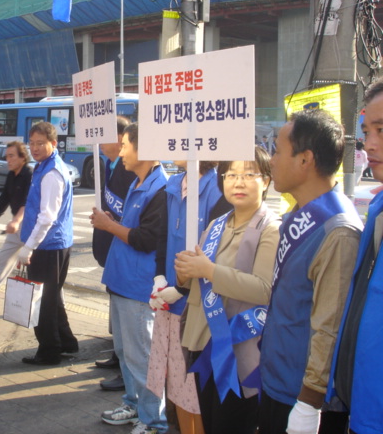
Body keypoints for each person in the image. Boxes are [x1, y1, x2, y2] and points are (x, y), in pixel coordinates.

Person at [258, 110, 362, 434]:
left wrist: (308, 402)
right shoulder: (297, 212)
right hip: (277, 383)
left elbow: (329, 328)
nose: (271, 160)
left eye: (276, 149)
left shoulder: (338, 231)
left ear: (305, 160)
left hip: (302, 402)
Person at [174, 147, 280, 434]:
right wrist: (183, 275)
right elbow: (196, 282)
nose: (239, 181)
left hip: (239, 351)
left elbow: (263, 289)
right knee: (209, 422)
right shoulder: (216, 224)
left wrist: (207, 270)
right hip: (202, 345)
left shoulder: (270, 228)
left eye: (249, 174)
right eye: (231, 174)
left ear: (267, 181)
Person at [92, 122, 169, 434]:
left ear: (146, 150)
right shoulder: (140, 183)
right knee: (125, 353)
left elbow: (145, 239)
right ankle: (134, 405)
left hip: (138, 287)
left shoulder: (160, 188)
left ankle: (154, 420)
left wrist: (110, 227)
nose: (120, 152)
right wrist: (114, 221)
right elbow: (134, 228)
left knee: (142, 357)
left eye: (126, 146)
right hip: (121, 281)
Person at [146, 160, 226, 434]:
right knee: (175, 381)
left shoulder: (217, 191)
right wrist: (159, 277)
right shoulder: (173, 185)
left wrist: (182, 288)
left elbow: (214, 253)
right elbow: (162, 237)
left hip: (197, 307)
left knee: (192, 386)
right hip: (169, 298)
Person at [329, 79, 383, 434]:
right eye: (367, 130)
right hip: (359, 403)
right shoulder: (377, 206)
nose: (371, 143)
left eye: (382, 130)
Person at [18, 121, 77, 365]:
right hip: (55, 244)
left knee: (43, 301)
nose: (35, 148)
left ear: (53, 143)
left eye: (40, 143)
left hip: (48, 246)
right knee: (52, 296)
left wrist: (28, 247)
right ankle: (66, 343)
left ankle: (49, 351)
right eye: (31, 143)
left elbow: (47, 217)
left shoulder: (52, 173)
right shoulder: (45, 166)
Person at [93, 116, 137, 391]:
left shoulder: (130, 169)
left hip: (125, 248)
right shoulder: (107, 165)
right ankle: (117, 355)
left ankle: (127, 373)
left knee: (128, 315)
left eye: (104, 135)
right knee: (116, 308)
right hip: (110, 246)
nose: (99, 141)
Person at [0, 141, 32, 307]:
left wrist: (16, 220)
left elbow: (28, 202)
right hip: (16, 228)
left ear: (22, 157)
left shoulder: (29, 174)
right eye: (7, 157)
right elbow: (4, 198)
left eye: (12, 156)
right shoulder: (12, 174)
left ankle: (51, 304)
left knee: (40, 270)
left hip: (31, 229)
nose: (8, 160)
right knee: (2, 260)